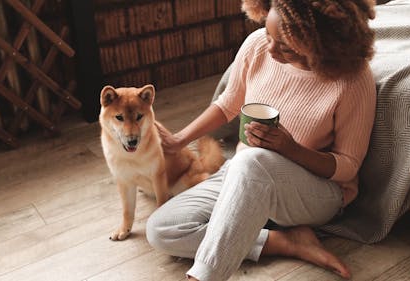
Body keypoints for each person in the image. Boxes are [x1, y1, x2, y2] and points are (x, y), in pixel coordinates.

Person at [146, 0, 377, 280]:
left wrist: (290, 149)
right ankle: (285, 242)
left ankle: (204, 276)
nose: (271, 50)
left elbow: (348, 166)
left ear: (322, 45)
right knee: (162, 228)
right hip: (244, 171)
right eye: (269, 35)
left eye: (286, 47)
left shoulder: (353, 80)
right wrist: (179, 140)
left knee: (253, 161)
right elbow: (228, 104)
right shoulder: (257, 45)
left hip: (317, 192)